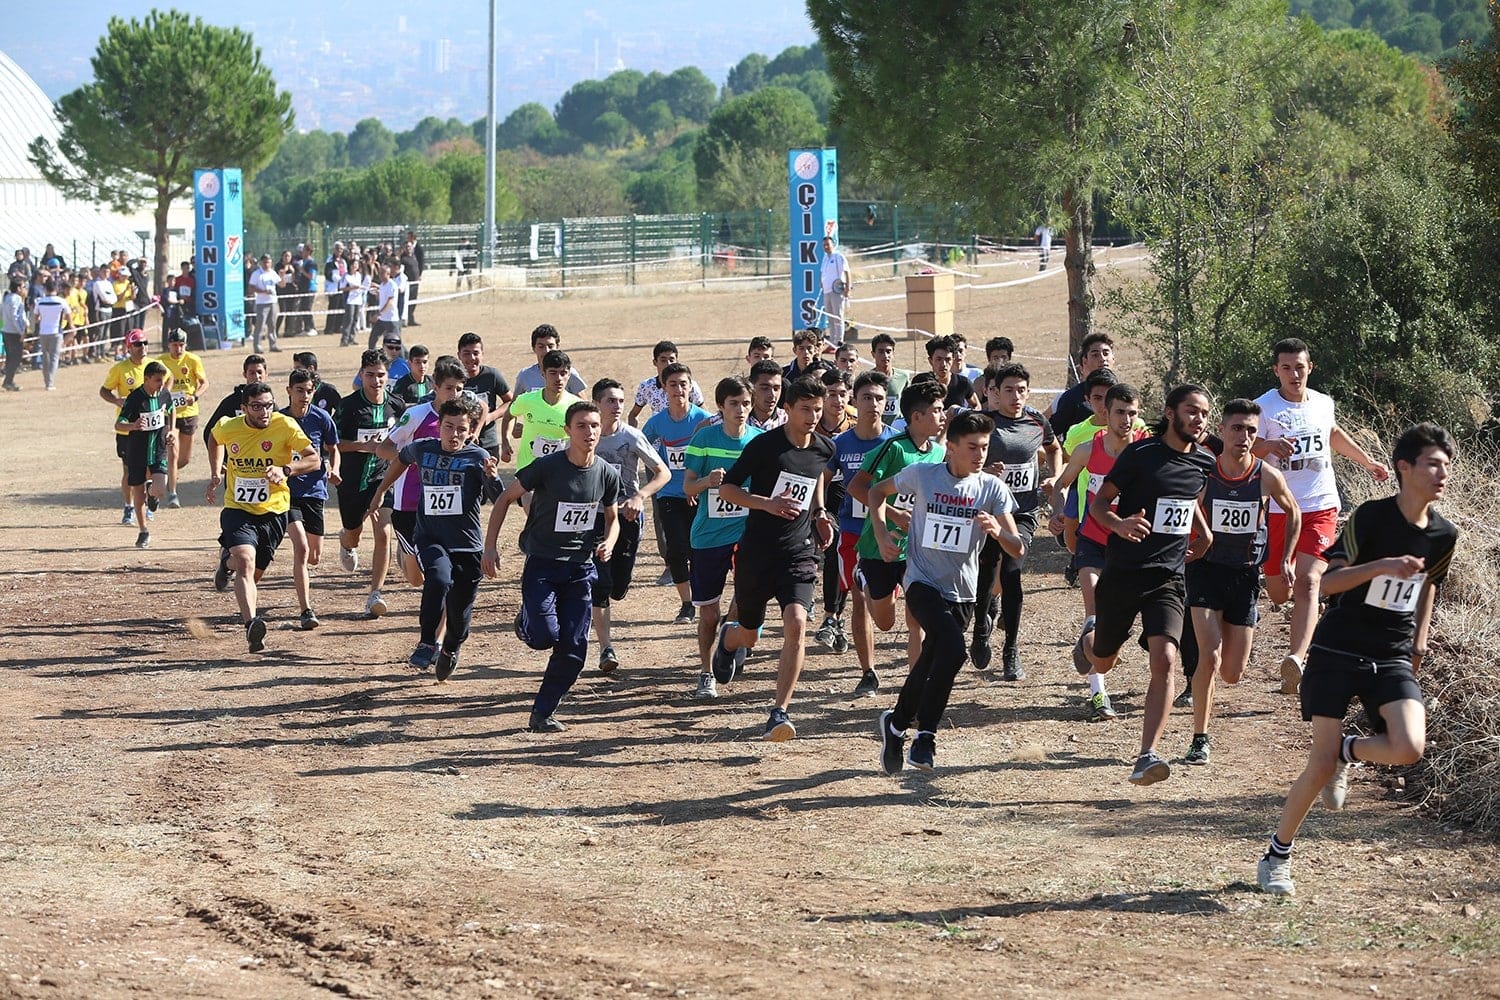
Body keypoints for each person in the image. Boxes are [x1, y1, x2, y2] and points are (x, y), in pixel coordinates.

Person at [1258, 423, 1458, 897]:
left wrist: (1419, 642)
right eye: (1432, 463)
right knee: (1320, 764)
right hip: (1339, 647)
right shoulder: (1371, 518)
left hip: (1392, 654)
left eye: (1446, 465)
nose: (1441, 473)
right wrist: (1382, 567)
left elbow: (1428, 585)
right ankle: (1276, 857)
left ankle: (1350, 750)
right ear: (1404, 468)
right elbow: (1326, 584)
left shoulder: (1445, 534)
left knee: (1408, 747)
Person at [1074, 385, 1217, 786]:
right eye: (1192, 411)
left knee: (1166, 660)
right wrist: (1118, 524)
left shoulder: (1203, 462)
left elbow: (1187, 503)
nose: (1199, 419)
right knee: (1103, 659)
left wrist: (1203, 535)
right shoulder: (1140, 454)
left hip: (1168, 578)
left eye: (1204, 413)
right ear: (1171, 413)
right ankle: (1089, 640)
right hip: (1124, 573)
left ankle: (1146, 754)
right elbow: (1100, 504)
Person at [870, 410, 1024, 772]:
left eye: (984, 447)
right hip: (922, 581)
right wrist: (882, 532)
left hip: (963, 593)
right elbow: (876, 491)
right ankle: (926, 737)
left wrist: (997, 532)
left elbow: (1017, 547)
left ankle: (894, 725)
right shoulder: (924, 475)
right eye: (972, 447)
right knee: (953, 651)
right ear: (950, 447)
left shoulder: (991, 488)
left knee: (930, 661)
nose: (980, 455)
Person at [1252, 338, 1392, 697]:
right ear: (1276, 371)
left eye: (1300, 367)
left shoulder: (1323, 403)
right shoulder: (1263, 408)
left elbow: (1331, 434)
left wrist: (1367, 461)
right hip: (1281, 508)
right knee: (1278, 591)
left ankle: (1297, 658)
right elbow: (1242, 446)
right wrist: (1268, 447)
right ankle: (1287, 613)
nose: (1294, 374)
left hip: (1320, 505)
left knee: (1310, 582)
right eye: (1286, 368)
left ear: (1309, 368)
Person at [710, 377, 837, 741]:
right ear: (787, 409)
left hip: (798, 553)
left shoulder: (823, 449)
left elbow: (816, 482)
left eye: (818, 409)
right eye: (805, 409)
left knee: (797, 623)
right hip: (757, 553)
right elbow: (728, 488)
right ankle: (729, 639)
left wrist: (820, 514)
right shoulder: (765, 446)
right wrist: (767, 504)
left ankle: (779, 712)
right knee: (749, 635)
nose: (813, 416)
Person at [484, 402, 621, 732]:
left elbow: (613, 518)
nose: (589, 432)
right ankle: (526, 624)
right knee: (545, 636)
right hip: (543, 563)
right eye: (581, 426)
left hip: (580, 568)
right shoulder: (547, 467)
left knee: (574, 647)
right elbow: (505, 498)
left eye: (593, 426)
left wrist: (609, 542)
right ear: (568, 431)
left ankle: (543, 711)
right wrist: (489, 546)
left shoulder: (606, 473)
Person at [1184, 399, 1299, 765]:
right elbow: (1183, 511)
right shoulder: (1207, 475)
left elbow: (1293, 510)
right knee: (1210, 656)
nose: (1245, 436)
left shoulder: (1265, 475)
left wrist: (1286, 559)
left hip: (1246, 575)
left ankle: (1241, 629)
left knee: (1232, 673)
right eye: (1237, 428)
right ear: (1221, 431)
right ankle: (1199, 738)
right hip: (1205, 572)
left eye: (1251, 430)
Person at [370, 397, 495, 679]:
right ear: (439, 427)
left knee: (460, 614)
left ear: (470, 430)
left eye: (461, 429)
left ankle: (450, 648)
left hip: (467, 544)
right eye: (448, 427)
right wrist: (381, 491)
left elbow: (498, 498)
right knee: (438, 579)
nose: (454, 434)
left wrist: (493, 477)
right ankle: (427, 642)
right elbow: (400, 460)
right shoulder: (422, 449)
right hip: (431, 537)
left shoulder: (478, 458)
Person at [1051, 382, 1148, 721]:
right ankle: (1098, 694)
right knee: (1095, 614)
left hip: (1128, 547)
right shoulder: (1087, 450)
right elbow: (1059, 485)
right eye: (1120, 412)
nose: (1127, 419)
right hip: (1092, 541)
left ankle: (1089, 648)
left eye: (1133, 413)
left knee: (1112, 626)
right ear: (1105, 413)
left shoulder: (1144, 450)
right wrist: (1058, 513)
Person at [847, 380, 949, 694]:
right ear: (916, 417)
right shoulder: (892, 449)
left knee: (916, 617)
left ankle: (917, 684)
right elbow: (857, 488)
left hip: (917, 551)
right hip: (879, 549)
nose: (942, 416)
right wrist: (894, 515)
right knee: (885, 622)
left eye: (943, 409)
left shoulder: (940, 453)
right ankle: (865, 581)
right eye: (935, 410)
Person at [206, 381, 320, 651]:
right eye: (256, 407)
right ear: (244, 408)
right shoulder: (229, 426)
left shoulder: (285, 426)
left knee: (253, 569)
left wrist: (287, 469)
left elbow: (314, 459)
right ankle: (251, 626)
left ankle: (226, 564)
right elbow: (214, 437)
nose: (264, 412)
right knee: (246, 560)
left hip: (275, 512)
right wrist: (216, 471)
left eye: (268, 405)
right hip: (238, 509)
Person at [972, 363, 1059, 679]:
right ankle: (981, 626)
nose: (1016, 396)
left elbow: (1053, 448)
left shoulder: (1037, 422)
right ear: (995, 391)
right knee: (985, 573)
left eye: (1021, 390)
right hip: (988, 511)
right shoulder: (985, 423)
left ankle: (1011, 650)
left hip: (1021, 513)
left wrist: (1055, 478)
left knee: (1011, 573)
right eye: (1009, 389)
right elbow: (960, 461)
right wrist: (982, 473)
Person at [683, 375, 762, 698]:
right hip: (708, 536)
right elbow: (687, 487)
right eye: (734, 404)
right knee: (708, 612)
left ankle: (731, 638)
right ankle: (705, 673)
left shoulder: (759, 441)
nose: (741, 410)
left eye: (745, 403)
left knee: (747, 598)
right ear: (720, 406)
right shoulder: (704, 439)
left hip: (747, 535)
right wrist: (707, 481)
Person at [823, 370, 895, 695]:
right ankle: (868, 672)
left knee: (886, 613)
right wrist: (819, 512)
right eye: (866, 397)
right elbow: (820, 481)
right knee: (859, 599)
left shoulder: (896, 443)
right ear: (855, 400)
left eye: (879, 398)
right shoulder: (841, 444)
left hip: (892, 536)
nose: (873, 404)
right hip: (852, 534)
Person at [591, 377, 671, 672]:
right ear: (597, 404)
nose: (618, 406)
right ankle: (605, 648)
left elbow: (663, 473)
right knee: (600, 584)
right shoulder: (586, 435)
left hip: (627, 518)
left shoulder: (632, 436)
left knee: (618, 587)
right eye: (611, 401)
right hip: (594, 517)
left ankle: (605, 603)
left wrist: (639, 496)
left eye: (621, 401)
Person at [378, 357, 471, 591]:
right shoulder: (418, 414)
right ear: (435, 387)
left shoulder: (462, 418)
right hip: (410, 501)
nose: (454, 393)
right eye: (449, 388)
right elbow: (384, 448)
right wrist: (411, 460)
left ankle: (442, 617)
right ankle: (408, 553)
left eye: (459, 389)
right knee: (416, 579)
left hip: (445, 504)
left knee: (439, 574)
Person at [335, 349, 407, 617]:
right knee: (353, 533)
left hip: (382, 479)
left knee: (384, 532)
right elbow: (333, 445)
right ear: (361, 375)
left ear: (387, 376)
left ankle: (375, 593)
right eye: (370, 375)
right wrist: (365, 446)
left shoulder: (396, 405)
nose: (375, 381)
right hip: (353, 482)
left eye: (380, 375)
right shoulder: (348, 406)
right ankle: (345, 540)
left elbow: (403, 437)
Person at [643, 362, 712, 624]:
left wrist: (701, 482)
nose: (679, 389)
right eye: (672, 384)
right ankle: (687, 604)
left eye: (684, 384)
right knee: (676, 550)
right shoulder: (657, 422)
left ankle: (701, 598)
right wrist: (656, 468)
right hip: (669, 493)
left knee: (699, 549)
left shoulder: (703, 420)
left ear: (691, 386)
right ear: (663, 388)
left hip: (698, 492)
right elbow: (642, 447)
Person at [281, 368, 342, 629]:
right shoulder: (279, 419)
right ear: (289, 391)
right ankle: (306, 610)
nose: (304, 396)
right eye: (299, 391)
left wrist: (335, 469)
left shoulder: (322, 418)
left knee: (314, 556)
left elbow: (333, 449)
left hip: (315, 491)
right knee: (302, 548)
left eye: (309, 391)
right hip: (287, 492)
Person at [811, 368, 856, 656]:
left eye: (842, 394)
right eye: (831, 394)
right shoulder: (810, 422)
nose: (837, 400)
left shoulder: (856, 423)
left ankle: (833, 617)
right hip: (812, 495)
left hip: (844, 497)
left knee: (836, 552)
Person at [115, 361, 176, 548]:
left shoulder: (164, 393)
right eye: (157, 380)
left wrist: (171, 430)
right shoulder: (134, 399)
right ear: (147, 379)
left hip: (158, 449)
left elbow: (172, 409)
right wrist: (132, 426)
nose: (161, 384)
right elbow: (119, 424)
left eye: (163, 380)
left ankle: (153, 493)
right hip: (137, 452)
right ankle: (143, 531)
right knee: (137, 492)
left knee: (160, 488)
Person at [100, 329, 153, 525]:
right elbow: (104, 390)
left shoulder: (153, 366)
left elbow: (167, 381)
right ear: (129, 347)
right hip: (127, 428)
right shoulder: (120, 369)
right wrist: (116, 401)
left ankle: (145, 504)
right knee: (129, 470)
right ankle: (129, 506)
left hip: (149, 427)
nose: (143, 347)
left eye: (145, 343)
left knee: (148, 469)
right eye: (138, 344)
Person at [504, 349, 585, 472]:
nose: (558, 378)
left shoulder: (576, 406)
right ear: (543, 374)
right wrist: (505, 441)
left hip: (560, 473)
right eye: (553, 373)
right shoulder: (526, 400)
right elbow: (509, 415)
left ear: (569, 376)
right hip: (528, 472)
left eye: (563, 373)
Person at [155, 330, 207, 509]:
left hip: (189, 412)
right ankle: (173, 494)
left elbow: (204, 382)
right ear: (168, 345)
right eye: (175, 345)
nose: (178, 349)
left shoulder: (193, 360)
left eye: (181, 345)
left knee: (183, 459)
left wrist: (195, 396)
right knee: (173, 453)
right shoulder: (160, 361)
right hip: (169, 414)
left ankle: (166, 473)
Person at [456, 332, 514, 466]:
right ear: (459, 355)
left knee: (488, 482)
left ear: (482, 354)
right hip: (459, 442)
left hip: (488, 442)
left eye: (476, 353)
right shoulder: (453, 378)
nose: (471, 358)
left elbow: (511, 401)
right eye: (466, 353)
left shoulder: (491, 375)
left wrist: (491, 416)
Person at [1048, 332, 1115, 439]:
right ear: (1085, 361)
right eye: (1095, 355)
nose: (1102, 359)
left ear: (1113, 359)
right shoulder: (1071, 398)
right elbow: (1049, 434)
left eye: (1106, 353)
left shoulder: (1122, 393)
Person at [627, 340, 704, 426]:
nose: (668, 364)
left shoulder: (689, 385)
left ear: (677, 361)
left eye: (671, 359)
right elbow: (633, 415)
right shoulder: (646, 386)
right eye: (663, 360)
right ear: (655, 362)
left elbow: (703, 415)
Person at [513, 324, 587, 395]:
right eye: (541, 346)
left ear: (557, 346)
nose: (546, 351)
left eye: (550, 346)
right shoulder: (525, 375)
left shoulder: (567, 373)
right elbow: (514, 405)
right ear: (533, 348)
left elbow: (583, 403)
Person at [913, 335, 977, 410]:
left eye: (947, 359)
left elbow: (976, 406)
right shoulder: (921, 382)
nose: (943, 364)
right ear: (930, 361)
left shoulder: (963, 383)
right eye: (939, 359)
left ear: (953, 360)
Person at [31, 276, 70, 391]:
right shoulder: (61, 301)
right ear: (56, 289)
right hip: (56, 332)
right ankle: (50, 382)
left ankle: (47, 380)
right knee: (54, 357)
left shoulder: (40, 301)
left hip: (43, 332)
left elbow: (36, 317)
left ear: (45, 289)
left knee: (45, 357)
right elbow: (68, 315)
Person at [868, 332, 913, 424]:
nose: (885, 356)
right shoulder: (867, 378)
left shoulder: (903, 377)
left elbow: (908, 403)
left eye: (888, 351)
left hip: (897, 427)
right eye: (880, 351)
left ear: (893, 353)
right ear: (873, 354)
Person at [247, 255, 283, 354]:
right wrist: (263, 291)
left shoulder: (273, 273)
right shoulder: (257, 274)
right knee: (260, 325)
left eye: (269, 262)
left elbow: (281, 284)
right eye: (265, 262)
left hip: (273, 302)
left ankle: (273, 344)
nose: (267, 264)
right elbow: (251, 288)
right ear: (261, 263)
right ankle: (257, 346)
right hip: (261, 303)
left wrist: (282, 276)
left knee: (272, 325)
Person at [820, 235, 851, 347]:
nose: (826, 247)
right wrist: (821, 284)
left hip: (837, 291)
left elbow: (847, 272)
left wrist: (847, 287)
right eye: (824, 245)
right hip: (826, 292)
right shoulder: (824, 258)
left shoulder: (839, 257)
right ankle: (832, 342)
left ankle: (839, 341)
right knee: (830, 317)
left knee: (838, 316)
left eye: (828, 244)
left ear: (833, 245)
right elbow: (822, 273)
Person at [290, 351, 341, 415]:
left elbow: (341, 411)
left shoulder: (328, 390)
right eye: (295, 369)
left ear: (311, 368)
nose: (296, 372)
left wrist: (330, 422)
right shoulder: (296, 390)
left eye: (298, 368)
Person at [2, 277, 26, 391]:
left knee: (10, 357)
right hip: (14, 332)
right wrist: (21, 331)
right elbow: (15, 317)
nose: (24, 288)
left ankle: (8, 380)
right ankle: (8, 381)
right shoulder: (16, 299)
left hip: (6, 330)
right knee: (16, 357)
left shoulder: (6, 298)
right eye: (23, 286)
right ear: (18, 288)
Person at [369, 262, 400, 351]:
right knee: (373, 338)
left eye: (382, 273)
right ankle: (372, 358)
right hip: (382, 319)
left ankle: (407, 359)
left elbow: (390, 301)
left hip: (391, 319)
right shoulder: (382, 285)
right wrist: (377, 292)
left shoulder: (392, 285)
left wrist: (379, 314)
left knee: (395, 343)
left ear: (388, 274)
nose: (380, 275)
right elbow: (382, 297)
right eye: (379, 273)